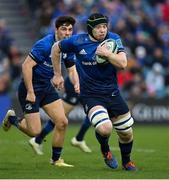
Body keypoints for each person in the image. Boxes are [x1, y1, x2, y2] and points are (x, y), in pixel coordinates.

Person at [51, 13, 137, 171]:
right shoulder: (77, 41)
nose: (102, 30)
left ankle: (127, 161)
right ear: (90, 29)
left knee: (126, 133)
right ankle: (106, 151)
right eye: (98, 27)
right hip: (90, 95)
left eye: (104, 26)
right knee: (105, 128)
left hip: (112, 93)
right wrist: (57, 74)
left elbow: (123, 63)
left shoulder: (113, 38)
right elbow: (56, 48)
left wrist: (107, 54)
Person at [2, 16, 80, 167]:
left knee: (62, 122)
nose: (67, 33)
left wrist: (76, 83)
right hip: (30, 88)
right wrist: (30, 92)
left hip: (46, 87)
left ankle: (56, 160)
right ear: (56, 29)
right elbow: (26, 66)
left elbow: (72, 69)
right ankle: (13, 119)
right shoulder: (44, 45)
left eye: (70, 29)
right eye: (64, 29)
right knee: (35, 131)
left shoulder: (68, 46)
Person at [29, 76, 92, 155]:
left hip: (87, 85)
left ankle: (79, 138)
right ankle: (37, 140)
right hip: (75, 85)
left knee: (92, 111)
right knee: (60, 118)